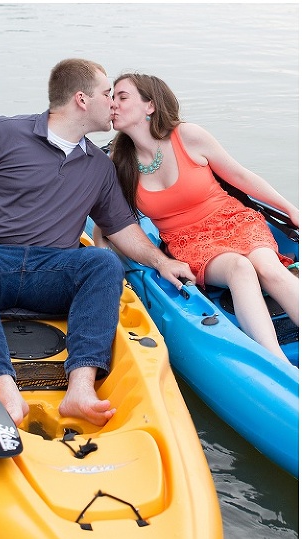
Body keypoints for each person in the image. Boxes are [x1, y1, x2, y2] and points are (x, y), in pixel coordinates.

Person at [0, 59, 195, 427]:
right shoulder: (2, 132)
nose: (113, 103)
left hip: (51, 271)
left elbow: (122, 227)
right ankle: (4, 388)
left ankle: (80, 389)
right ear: (82, 100)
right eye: (107, 94)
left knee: (103, 262)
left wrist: (161, 261)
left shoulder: (100, 166)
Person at [102, 73, 299, 362]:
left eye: (122, 97)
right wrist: (104, 264)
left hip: (234, 220)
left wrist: (291, 210)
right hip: (188, 242)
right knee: (240, 268)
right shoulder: (119, 163)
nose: (113, 104)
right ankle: (279, 365)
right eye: (111, 98)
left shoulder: (187, 136)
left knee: (268, 268)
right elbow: (112, 223)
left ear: (150, 106)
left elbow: (241, 176)